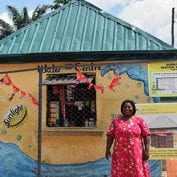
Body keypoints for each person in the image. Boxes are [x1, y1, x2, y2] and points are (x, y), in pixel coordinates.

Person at [105, 100, 151, 177]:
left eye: (129, 107)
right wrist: (107, 149)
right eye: (124, 107)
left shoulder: (139, 120)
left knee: (137, 171)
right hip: (120, 154)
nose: (127, 108)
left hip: (136, 154)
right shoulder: (116, 121)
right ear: (121, 109)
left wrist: (147, 151)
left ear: (133, 108)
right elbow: (110, 135)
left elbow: (147, 135)